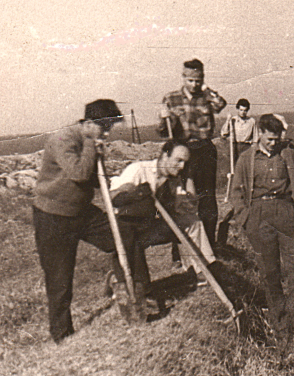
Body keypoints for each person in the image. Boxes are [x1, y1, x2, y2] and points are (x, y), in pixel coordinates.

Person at [32, 99, 142, 343]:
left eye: (109, 128)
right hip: (53, 216)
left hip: (81, 212)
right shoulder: (63, 139)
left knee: (124, 235)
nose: (107, 133)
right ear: (89, 123)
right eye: (104, 127)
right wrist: (93, 145)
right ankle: (62, 335)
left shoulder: (91, 139)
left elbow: (93, 178)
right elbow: (79, 174)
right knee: (59, 278)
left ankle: (130, 292)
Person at [230, 114, 294, 337]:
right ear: (259, 134)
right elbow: (236, 192)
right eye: (269, 139)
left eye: (277, 139)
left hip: (286, 212)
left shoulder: (286, 152)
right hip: (258, 215)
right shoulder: (246, 158)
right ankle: (280, 324)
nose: (273, 143)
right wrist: (245, 220)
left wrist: (288, 129)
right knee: (270, 271)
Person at [109, 139, 217, 292]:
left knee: (190, 221)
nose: (182, 167)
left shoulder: (174, 179)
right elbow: (113, 198)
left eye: (185, 163)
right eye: (178, 161)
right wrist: (137, 193)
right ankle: (116, 280)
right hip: (126, 231)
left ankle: (203, 270)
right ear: (165, 156)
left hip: (148, 227)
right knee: (142, 290)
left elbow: (185, 210)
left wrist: (189, 184)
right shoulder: (139, 170)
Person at [158, 58, 227, 252]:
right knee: (182, 199)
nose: (194, 84)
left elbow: (221, 104)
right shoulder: (171, 99)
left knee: (207, 200)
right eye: (190, 80)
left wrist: (207, 89)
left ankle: (209, 248)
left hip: (205, 150)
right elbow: (163, 131)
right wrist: (165, 119)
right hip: (183, 152)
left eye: (198, 80)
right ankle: (179, 251)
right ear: (183, 78)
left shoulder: (206, 96)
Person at [220, 98, 257, 164]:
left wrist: (253, 149)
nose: (243, 112)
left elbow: (255, 138)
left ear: (247, 110)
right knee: (234, 165)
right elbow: (223, 134)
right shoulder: (232, 120)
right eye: (241, 110)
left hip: (246, 147)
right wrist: (228, 120)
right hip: (234, 147)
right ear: (237, 109)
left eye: (245, 110)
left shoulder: (252, 121)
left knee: (245, 166)